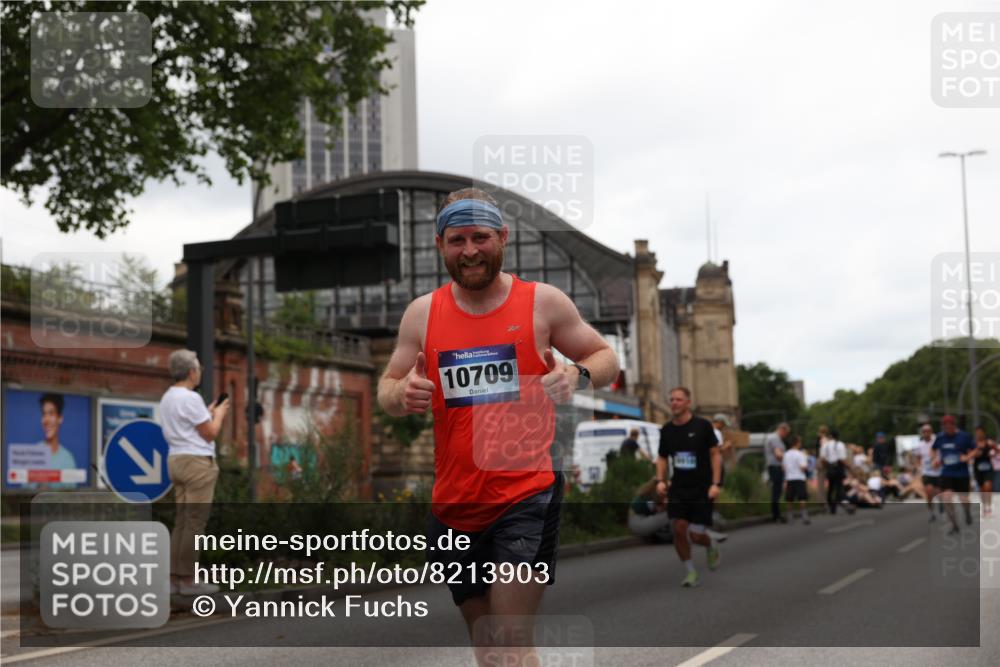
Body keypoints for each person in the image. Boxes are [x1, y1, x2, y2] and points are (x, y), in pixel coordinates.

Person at [376, 188, 619, 665]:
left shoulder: (541, 303)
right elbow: (387, 386)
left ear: (502, 238)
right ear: (440, 244)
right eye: (458, 240)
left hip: (525, 494)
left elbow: (604, 356)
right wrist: (401, 395)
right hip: (455, 504)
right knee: (487, 652)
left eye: (480, 238)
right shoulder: (422, 314)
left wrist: (577, 373)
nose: (469, 251)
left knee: (509, 645)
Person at [161, 349, 230, 596]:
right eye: (198, 368)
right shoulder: (190, 398)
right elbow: (210, 433)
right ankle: (189, 580)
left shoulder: (168, 397)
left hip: (176, 460)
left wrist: (208, 412)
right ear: (191, 372)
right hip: (197, 463)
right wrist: (219, 415)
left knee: (181, 522)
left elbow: (190, 425)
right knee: (195, 523)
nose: (200, 372)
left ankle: (173, 579)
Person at [655, 386, 723, 588]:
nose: (674, 403)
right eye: (672, 399)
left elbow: (715, 454)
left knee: (695, 534)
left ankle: (710, 544)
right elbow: (662, 457)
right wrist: (660, 480)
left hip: (701, 487)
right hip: (678, 487)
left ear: (687, 403)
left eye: (678, 399)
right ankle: (691, 572)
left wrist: (716, 484)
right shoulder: (667, 430)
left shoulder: (702, 426)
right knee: (678, 529)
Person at [931, 415, 976, 535]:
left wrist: (968, 457)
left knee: (964, 499)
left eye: (948, 425)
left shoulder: (964, 436)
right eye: (943, 426)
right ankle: (954, 525)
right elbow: (933, 449)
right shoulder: (940, 437)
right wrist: (935, 459)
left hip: (962, 473)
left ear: (953, 425)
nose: (946, 428)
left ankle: (967, 512)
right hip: (947, 473)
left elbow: (975, 449)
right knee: (946, 498)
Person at [912, 423, 943, 522]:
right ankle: (931, 513)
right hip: (927, 472)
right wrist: (918, 468)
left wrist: (939, 462)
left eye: (928, 431)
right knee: (929, 492)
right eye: (924, 432)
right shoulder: (919, 445)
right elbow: (917, 459)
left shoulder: (937, 442)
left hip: (938, 471)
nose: (926, 433)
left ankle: (941, 503)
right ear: (922, 433)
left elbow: (943, 454)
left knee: (939, 492)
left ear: (931, 432)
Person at [764, 423, 790, 523]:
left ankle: (776, 514)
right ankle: (776, 515)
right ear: (782, 430)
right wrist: (789, 458)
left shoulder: (772, 437)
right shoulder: (775, 438)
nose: (786, 435)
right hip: (775, 467)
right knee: (777, 491)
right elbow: (778, 454)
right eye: (786, 433)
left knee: (776, 490)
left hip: (774, 466)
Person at [782, 435, 810, 524]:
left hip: (789, 478)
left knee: (789, 499)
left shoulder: (786, 454)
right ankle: (804, 516)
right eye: (800, 442)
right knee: (802, 498)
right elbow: (803, 467)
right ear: (797, 443)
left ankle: (790, 516)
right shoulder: (800, 454)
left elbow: (783, 467)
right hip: (799, 478)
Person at [819, 428, 848, 514]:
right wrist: (848, 467)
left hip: (830, 467)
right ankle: (840, 502)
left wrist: (827, 465)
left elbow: (822, 459)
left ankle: (831, 505)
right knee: (839, 486)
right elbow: (842, 459)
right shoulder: (840, 445)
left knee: (831, 487)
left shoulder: (825, 445)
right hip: (838, 467)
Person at [971, 427, 994, 518]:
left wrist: (993, 453)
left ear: (984, 433)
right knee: (982, 489)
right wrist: (975, 453)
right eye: (977, 433)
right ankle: (984, 506)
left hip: (988, 468)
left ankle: (989, 506)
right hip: (977, 469)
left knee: (988, 487)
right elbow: (969, 453)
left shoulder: (989, 442)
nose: (979, 434)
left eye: (980, 432)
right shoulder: (973, 443)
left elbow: (997, 450)